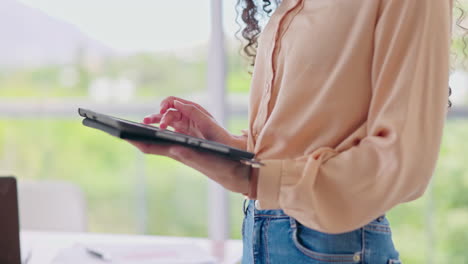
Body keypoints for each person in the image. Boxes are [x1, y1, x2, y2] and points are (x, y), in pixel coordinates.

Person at [128, 0, 459, 263]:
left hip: (333, 246)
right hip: (262, 235)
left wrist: (253, 177)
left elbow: (405, 162)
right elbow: (310, 139)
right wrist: (232, 148)